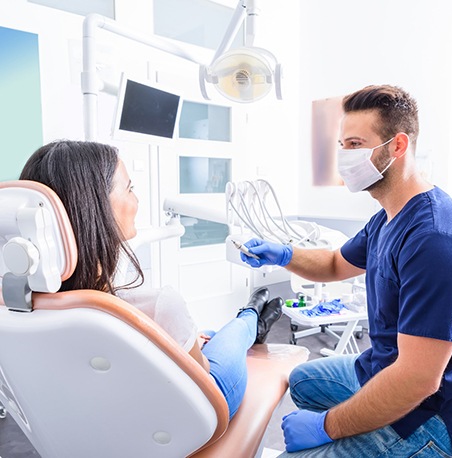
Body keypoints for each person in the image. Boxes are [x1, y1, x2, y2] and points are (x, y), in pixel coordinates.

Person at [240, 85, 452, 457]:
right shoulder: (387, 218)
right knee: (301, 382)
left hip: (430, 415)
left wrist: (327, 426)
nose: (344, 157)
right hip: (384, 367)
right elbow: (333, 263)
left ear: (397, 146)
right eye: (342, 145)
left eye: (356, 144)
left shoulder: (437, 242)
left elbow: (417, 380)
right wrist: (283, 255)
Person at [19, 139, 284, 420]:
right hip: (190, 421)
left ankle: (240, 324)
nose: (137, 199)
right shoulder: (158, 306)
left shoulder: (21, 307)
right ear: (95, 208)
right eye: (129, 188)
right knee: (230, 337)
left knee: (208, 334)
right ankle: (250, 317)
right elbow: (202, 383)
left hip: (92, 425)